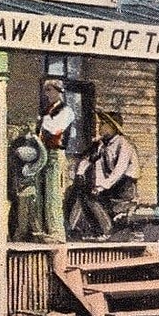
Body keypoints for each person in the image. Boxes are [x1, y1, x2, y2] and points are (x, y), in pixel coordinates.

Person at [66, 109, 138, 240]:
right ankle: (71, 229)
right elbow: (88, 160)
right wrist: (80, 174)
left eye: (104, 124)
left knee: (91, 197)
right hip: (110, 186)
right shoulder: (101, 145)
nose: (100, 127)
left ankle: (107, 230)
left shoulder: (124, 144)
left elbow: (119, 171)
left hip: (124, 187)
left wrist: (101, 187)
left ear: (113, 127)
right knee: (81, 193)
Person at [36, 79, 74, 243]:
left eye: (51, 90)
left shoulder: (66, 111)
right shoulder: (47, 110)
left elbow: (55, 129)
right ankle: (45, 229)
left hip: (56, 153)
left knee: (54, 194)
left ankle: (57, 232)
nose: (48, 94)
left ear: (59, 92)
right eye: (46, 91)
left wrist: (42, 121)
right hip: (44, 152)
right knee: (42, 192)